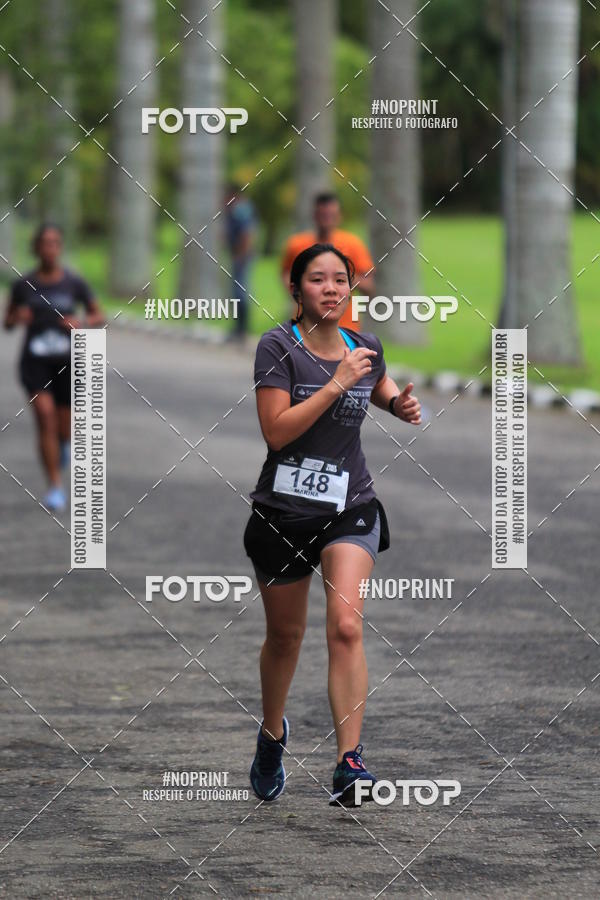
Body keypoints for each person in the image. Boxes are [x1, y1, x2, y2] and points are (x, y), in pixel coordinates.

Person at [244, 243, 421, 807]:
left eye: (339, 279)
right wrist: (336, 383)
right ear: (296, 292)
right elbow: (276, 432)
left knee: (345, 625)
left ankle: (350, 763)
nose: (330, 288)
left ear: (350, 289)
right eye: (317, 280)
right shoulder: (277, 348)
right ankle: (272, 734)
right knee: (285, 637)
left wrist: (400, 406)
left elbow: (383, 390)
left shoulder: (364, 346)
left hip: (351, 506)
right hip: (284, 515)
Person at [3, 223, 104, 512]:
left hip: (68, 363)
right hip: (35, 363)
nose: (49, 248)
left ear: (60, 247)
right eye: (44, 243)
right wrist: (16, 317)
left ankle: (63, 445)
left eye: (55, 243)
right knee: (45, 417)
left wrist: (82, 323)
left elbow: (99, 315)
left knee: (64, 424)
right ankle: (56, 487)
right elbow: (8, 322)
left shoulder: (73, 283)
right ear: (36, 248)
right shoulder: (23, 285)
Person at [281, 193, 376, 331]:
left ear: (340, 216)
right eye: (322, 215)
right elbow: (286, 273)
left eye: (331, 215)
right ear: (314, 215)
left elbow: (369, 285)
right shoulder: (297, 244)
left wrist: (342, 279)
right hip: (305, 327)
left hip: (345, 327)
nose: (326, 220)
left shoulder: (352, 244)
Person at [224, 183, 256, 343]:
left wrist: (241, 255)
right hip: (238, 254)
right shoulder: (237, 209)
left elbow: (247, 233)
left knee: (240, 292)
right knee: (237, 291)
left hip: (242, 256)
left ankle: (241, 329)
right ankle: (238, 328)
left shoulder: (241, 210)